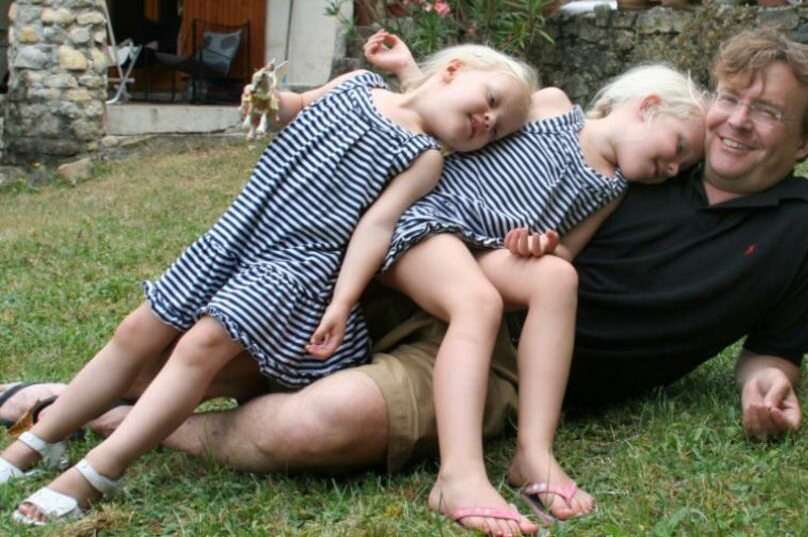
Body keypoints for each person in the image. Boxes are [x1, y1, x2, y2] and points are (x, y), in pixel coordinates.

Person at [5, 24, 808, 528]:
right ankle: (75, 400)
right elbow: (464, 115)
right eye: (731, 98)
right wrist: (408, 74)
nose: (735, 121)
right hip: (414, 268)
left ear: (804, 142)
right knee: (202, 348)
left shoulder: (802, 233)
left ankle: (112, 419)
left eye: (767, 113)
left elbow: (773, 348)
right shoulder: (607, 131)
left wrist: (767, 384)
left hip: (498, 352)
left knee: (310, 426)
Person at [0, 43, 537, 525]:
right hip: (238, 233)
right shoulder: (356, 84)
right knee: (136, 332)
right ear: (453, 70)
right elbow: (293, 110)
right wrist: (267, 100)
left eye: (497, 128)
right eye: (490, 101)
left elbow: (374, 229)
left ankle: (100, 471)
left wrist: (342, 300)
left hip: (295, 267)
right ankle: (37, 442)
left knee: (202, 345)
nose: (487, 120)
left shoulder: (423, 159)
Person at [325, 30, 706, 536]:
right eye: (678, 146)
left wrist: (538, 248)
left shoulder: (613, 189)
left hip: (483, 249)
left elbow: (566, 248)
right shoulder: (550, 106)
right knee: (477, 300)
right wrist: (410, 72)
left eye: (683, 167)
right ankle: (457, 475)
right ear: (647, 106)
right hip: (426, 222)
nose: (675, 167)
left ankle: (533, 453)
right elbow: (471, 115)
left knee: (557, 278)